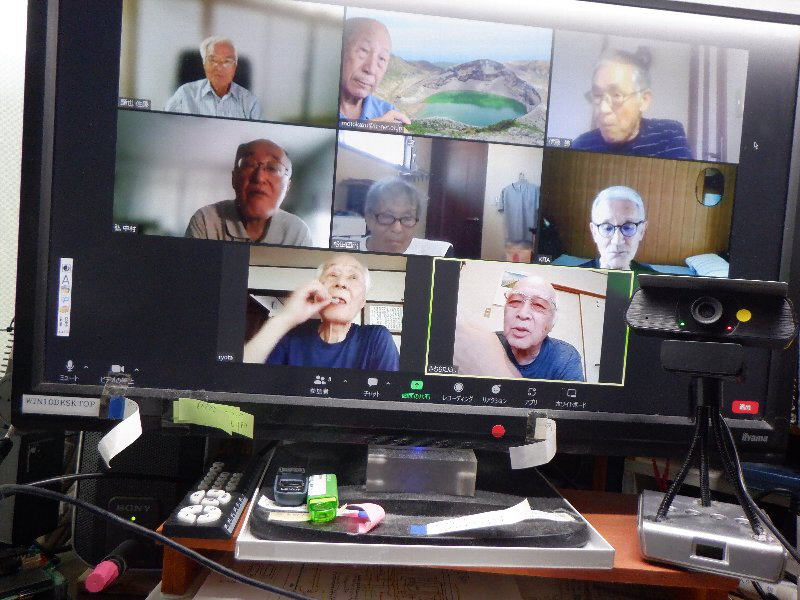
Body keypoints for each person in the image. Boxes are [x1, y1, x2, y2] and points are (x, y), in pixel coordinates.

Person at [243, 254, 400, 371]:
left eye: (353, 277)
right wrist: (286, 318)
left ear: (362, 301)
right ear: (317, 288)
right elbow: (241, 378)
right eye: (333, 274)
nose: (341, 283)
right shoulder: (291, 335)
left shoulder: (376, 338)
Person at [453, 276, 584, 382]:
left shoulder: (565, 357)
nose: (523, 313)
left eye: (539, 305)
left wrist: (495, 370)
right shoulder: (489, 344)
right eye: (515, 301)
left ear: (552, 322)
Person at [185, 139, 312, 246]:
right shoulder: (206, 221)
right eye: (249, 164)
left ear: (287, 187)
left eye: (273, 168)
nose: (259, 177)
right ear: (234, 179)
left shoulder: (297, 232)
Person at [571, 48, 692, 159]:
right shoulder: (581, 146)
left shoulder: (669, 134)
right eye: (597, 95)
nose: (603, 109)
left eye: (616, 95)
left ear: (644, 100)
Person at [335, 177, 452, 256]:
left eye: (407, 218)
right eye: (387, 216)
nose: (397, 229)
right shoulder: (342, 250)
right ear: (369, 219)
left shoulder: (438, 253)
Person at [165, 36, 262, 120]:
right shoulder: (184, 94)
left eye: (227, 61)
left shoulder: (250, 102)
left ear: (235, 66)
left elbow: (259, 133)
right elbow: (166, 126)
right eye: (213, 60)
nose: (219, 68)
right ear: (204, 64)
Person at [338, 18, 410, 125]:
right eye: (363, 51)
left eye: (382, 58)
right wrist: (365, 128)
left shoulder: (389, 114)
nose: (371, 69)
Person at [579, 185, 656, 273]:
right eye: (607, 228)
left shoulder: (655, 280)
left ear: (642, 231)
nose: (617, 241)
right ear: (594, 233)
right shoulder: (572, 277)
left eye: (628, 227)